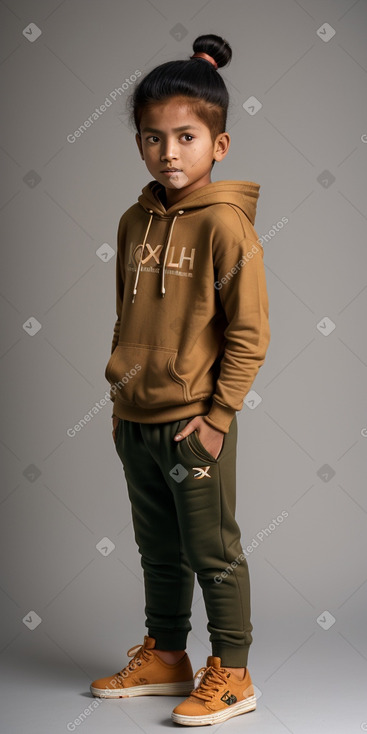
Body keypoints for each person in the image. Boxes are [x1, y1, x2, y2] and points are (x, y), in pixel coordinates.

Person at [90, 33, 271, 727]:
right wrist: (118, 398)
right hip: (134, 418)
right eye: (153, 137)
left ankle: (232, 673)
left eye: (186, 137)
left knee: (212, 550)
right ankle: (167, 656)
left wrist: (219, 416)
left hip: (194, 422)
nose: (169, 152)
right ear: (140, 143)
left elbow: (249, 335)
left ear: (217, 145)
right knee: (156, 547)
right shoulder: (133, 220)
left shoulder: (226, 226)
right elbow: (124, 317)